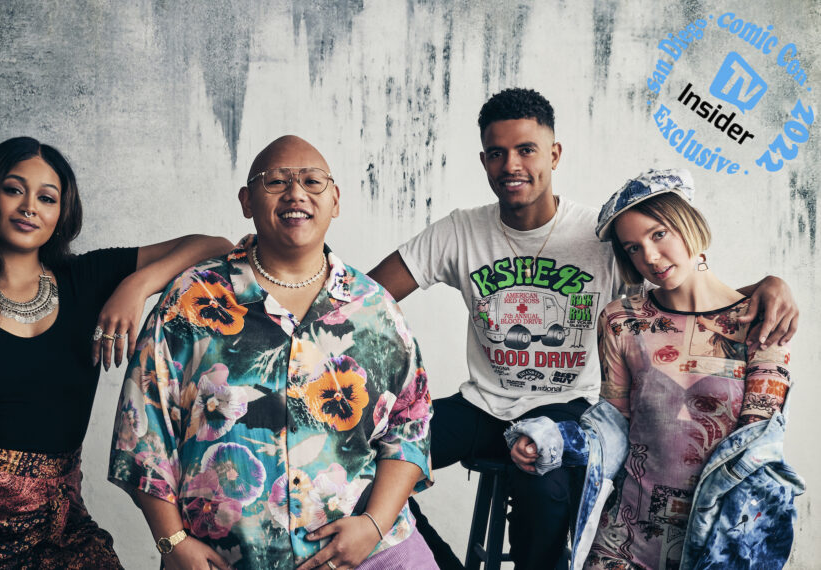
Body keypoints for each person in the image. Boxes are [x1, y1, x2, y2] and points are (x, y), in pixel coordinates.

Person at [366, 88, 800, 569]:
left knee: (545, 490)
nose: (511, 164)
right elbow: (364, 301)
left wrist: (767, 285)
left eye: (526, 149)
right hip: (482, 407)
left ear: (554, 154)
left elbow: (681, 300)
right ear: (484, 161)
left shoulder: (603, 235)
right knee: (362, 455)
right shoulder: (458, 232)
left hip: (566, 409)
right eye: (497, 153)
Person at [0, 136, 232, 569]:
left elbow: (215, 245)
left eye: (46, 197)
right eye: (13, 189)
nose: (29, 207)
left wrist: (137, 285)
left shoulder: (88, 278)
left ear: (61, 214)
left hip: (53, 525)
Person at [108, 135, 436, 570]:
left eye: (312, 182)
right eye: (276, 181)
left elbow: (410, 427)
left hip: (367, 554)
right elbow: (143, 429)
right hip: (222, 562)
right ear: (247, 200)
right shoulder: (192, 302)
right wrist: (173, 543)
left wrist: (373, 526)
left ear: (335, 201)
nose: (296, 192)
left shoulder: (376, 309)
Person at [505, 169, 802, 569]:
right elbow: (612, 425)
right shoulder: (621, 321)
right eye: (633, 248)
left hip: (717, 546)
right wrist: (552, 439)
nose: (650, 257)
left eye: (658, 234)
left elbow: (752, 452)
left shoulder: (764, 320)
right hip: (624, 541)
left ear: (687, 223)